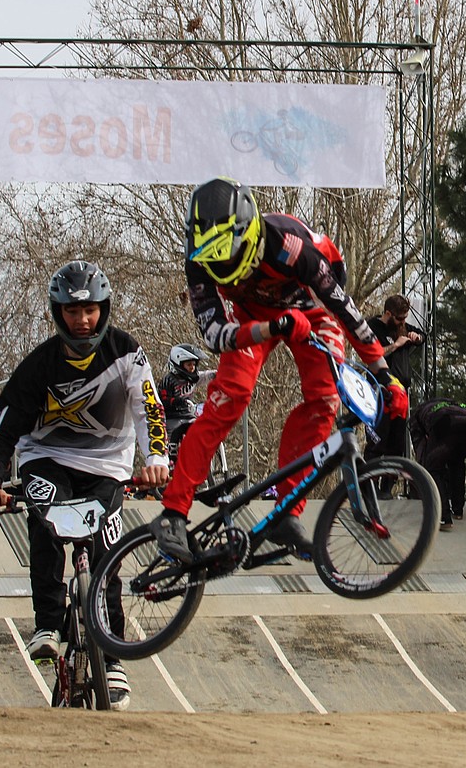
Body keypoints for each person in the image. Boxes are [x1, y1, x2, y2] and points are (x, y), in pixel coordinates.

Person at [151, 176, 408, 564]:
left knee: (324, 400)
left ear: (250, 237)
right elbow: (216, 335)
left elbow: (348, 313)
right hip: (255, 317)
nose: (225, 270)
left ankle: (288, 511)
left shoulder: (293, 250)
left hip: (316, 308)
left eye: (231, 259)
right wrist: (271, 326)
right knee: (227, 400)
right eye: (214, 263)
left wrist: (385, 373)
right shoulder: (197, 259)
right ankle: (172, 514)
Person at [0, 260, 168, 712]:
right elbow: (0, 429)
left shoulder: (127, 354)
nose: (82, 321)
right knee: (44, 518)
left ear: (104, 309)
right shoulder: (39, 365)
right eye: (72, 312)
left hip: (108, 465)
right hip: (48, 458)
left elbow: (150, 410)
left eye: (90, 311)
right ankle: (47, 624)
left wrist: (157, 460)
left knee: (108, 549)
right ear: (57, 312)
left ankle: (114, 653)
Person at [410, 398, 466, 530]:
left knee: (433, 468)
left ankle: (444, 517)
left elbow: (420, 450)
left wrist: (426, 464)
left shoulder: (416, 417)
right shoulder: (452, 405)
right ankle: (458, 510)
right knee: (457, 459)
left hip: (444, 420)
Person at [365, 294, 425, 468]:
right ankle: (369, 482)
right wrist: (396, 345)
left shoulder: (402, 327)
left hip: (401, 393)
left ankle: (387, 486)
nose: (402, 322)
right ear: (388, 314)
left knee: (397, 442)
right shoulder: (373, 326)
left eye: (405, 318)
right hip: (381, 390)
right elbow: (374, 354)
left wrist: (416, 337)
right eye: (400, 318)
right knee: (378, 439)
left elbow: (422, 336)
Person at [157, 343, 217, 467]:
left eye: (194, 364)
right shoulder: (168, 380)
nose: (192, 368)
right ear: (178, 363)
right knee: (172, 439)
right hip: (172, 417)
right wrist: (177, 401)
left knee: (203, 428)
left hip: (189, 414)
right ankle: (171, 464)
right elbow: (163, 401)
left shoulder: (193, 378)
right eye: (189, 364)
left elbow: (206, 376)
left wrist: (221, 373)